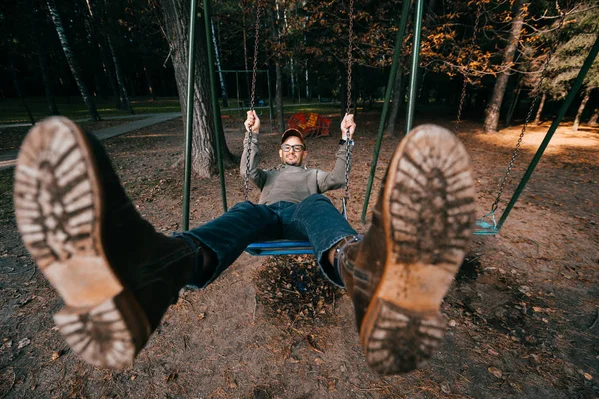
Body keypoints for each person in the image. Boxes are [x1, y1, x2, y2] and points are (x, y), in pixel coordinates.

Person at [13, 113, 475, 375]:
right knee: (244, 209)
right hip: (268, 217)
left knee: (317, 206)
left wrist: (347, 142)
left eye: (298, 148)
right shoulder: (269, 173)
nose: (293, 151)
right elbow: (246, 175)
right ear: (281, 152)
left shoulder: (312, 175)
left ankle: (363, 269)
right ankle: (157, 269)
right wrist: (251, 134)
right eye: (288, 148)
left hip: (304, 222)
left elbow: (336, 179)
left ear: (304, 153)